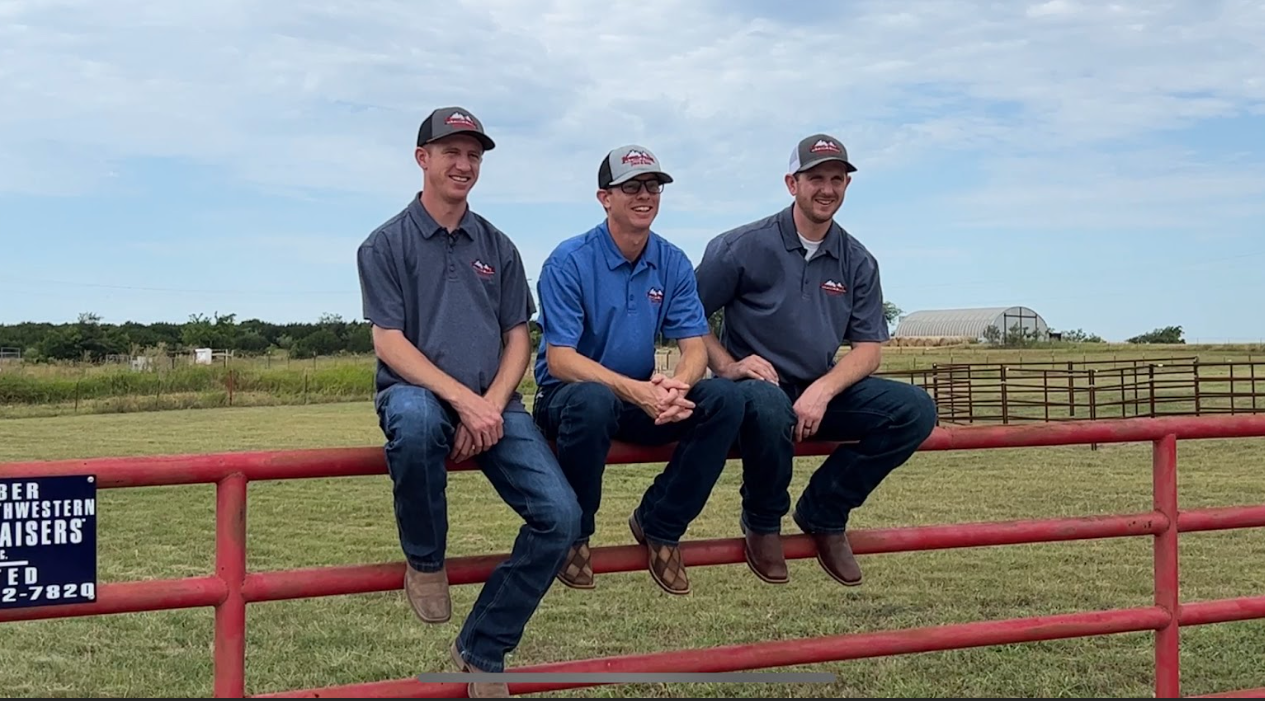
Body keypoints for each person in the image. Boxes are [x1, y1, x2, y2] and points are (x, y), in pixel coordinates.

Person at [356, 106, 580, 697]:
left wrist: (491, 403)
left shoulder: (498, 247)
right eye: (451, 151)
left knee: (562, 518)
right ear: (421, 157)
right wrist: (464, 401)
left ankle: (482, 649)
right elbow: (389, 341)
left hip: (496, 400)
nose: (463, 164)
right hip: (419, 393)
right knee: (411, 417)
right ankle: (426, 561)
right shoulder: (385, 244)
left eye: (474, 155)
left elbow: (517, 337)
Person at [693, 133, 938, 588]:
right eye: (816, 178)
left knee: (915, 409)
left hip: (815, 388)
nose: (827, 189)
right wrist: (727, 365)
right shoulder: (739, 247)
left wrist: (823, 390)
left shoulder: (857, 260)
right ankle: (763, 522)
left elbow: (868, 348)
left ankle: (824, 511)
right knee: (768, 407)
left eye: (838, 179)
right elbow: (688, 315)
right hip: (756, 387)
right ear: (792, 183)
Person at [531, 145, 744, 596]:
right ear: (604, 198)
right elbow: (560, 359)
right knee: (593, 399)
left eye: (653, 185)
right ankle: (576, 532)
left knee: (725, 399)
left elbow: (694, 347)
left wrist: (677, 386)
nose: (644, 195)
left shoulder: (671, 261)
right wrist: (638, 391)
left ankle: (660, 523)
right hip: (569, 398)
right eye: (631, 187)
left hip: (639, 398)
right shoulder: (569, 261)